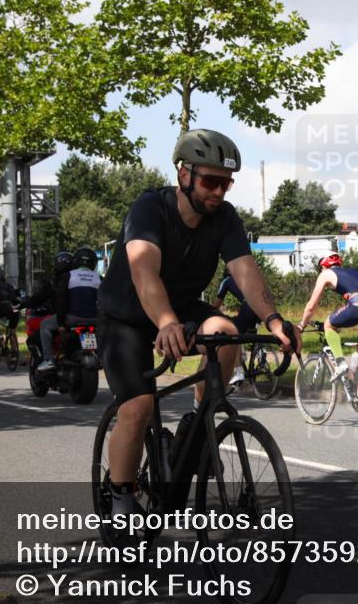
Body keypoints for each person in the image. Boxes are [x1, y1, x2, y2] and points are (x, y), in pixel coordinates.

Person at [98, 128, 299, 518]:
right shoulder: (150, 208)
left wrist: (273, 320)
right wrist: (167, 323)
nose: (219, 192)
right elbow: (144, 271)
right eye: (210, 181)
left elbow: (245, 270)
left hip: (180, 309)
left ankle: (195, 427)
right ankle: (120, 497)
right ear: (184, 174)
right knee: (138, 407)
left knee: (225, 333)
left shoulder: (224, 218)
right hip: (126, 315)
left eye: (226, 183)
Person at [297, 252, 358, 378]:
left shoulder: (325, 274)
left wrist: (302, 325)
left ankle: (341, 364)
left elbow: (311, 306)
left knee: (329, 325)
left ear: (323, 265)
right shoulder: (353, 271)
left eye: (320, 268)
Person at [37, 247, 100, 373]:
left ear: (76, 261)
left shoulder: (69, 276)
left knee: (44, 325)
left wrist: (60, 323)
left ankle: (48, 360)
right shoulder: (99, 278)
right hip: (95, 320)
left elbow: (62, 301)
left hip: (73, 318)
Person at [211, 267, 261, 385]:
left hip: (248, 306)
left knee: (234, 335)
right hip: (260, 307)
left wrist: (212, 315)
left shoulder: (227, 281)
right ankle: (260, 353)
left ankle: (239, 372)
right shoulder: (245, 277)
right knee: (252, 333)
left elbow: (216, 305)